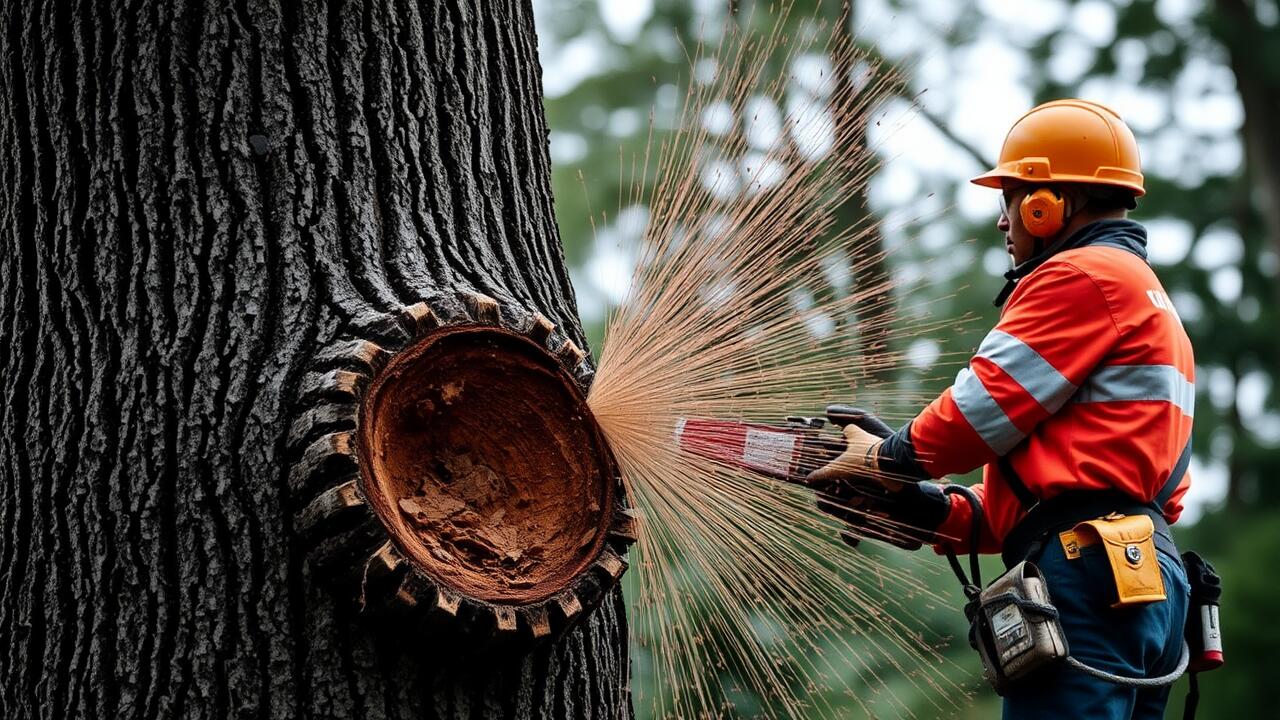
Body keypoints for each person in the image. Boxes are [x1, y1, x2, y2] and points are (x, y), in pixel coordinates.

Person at [808, 99, 1194, 720]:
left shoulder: (1082, 275)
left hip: (1088, 571)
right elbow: (1063, 494)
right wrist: (929, 509)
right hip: (1141, 575)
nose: (1002, 220)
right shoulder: (1144, 295)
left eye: (1010, 199)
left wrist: (888, 458)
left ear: (1048, 205)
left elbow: (981, 408)